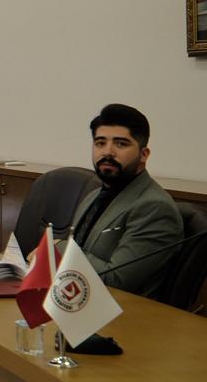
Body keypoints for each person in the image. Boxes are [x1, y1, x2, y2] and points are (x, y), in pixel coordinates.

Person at [65, 103, 182, 299]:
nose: (107, 152)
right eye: (100, 143)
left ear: (143, 155)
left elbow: (116, 281)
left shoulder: (155, 208)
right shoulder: (94, 196)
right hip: (76, 299)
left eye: (121, 144)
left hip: (121, 312)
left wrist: (59, 250)